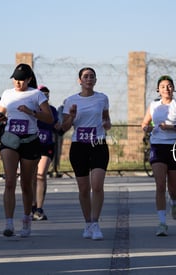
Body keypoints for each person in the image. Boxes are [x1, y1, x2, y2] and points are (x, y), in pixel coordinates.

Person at [0, 63, 54, 238]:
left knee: (26, 184)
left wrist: (31, 112)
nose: (18, 82)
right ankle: (8, 223)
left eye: (22, 79)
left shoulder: (36, 95)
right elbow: (2, 112)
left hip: (30, 140)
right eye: (15, 79)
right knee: (9, 182)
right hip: (10, 140)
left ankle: (26, 220)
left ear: (29, 79)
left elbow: (49, 118)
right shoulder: (7, 94)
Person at [61, 67, 111, 240]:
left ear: (95, 80)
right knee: (84, 188)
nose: (89, 79)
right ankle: (88, 223)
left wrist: (106, 124)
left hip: (98, 143)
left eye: (92, 76)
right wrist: (72, 116)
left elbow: (107, 119)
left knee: (97, 185)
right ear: (79, 80)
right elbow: (64, 127)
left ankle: (96, 223)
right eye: (85, 76)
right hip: (79, 146)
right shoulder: (70, 101)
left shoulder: (102, 98)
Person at [141, 75, 176, 237]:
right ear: (158, 89)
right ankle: (162, 223)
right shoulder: (154, 105)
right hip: (157, 147)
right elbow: (145, 123)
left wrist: (172, 127)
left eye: (169, 86)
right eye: (163, 86)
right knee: (160, 185)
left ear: (173, 88)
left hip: (175, 147)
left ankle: (174, 201)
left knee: (173, 188)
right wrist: (147, 129)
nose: (166, 89)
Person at [31, 85, 59, 221]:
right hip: (31, 145)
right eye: (42, 94)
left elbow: (57, 126)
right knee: (31, 176)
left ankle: (39, 208)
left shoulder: (52, 110)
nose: (45, 96)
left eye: (47, 94)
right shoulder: (31, 109)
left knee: (41, 174)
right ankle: (32, 204)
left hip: (46, 145)